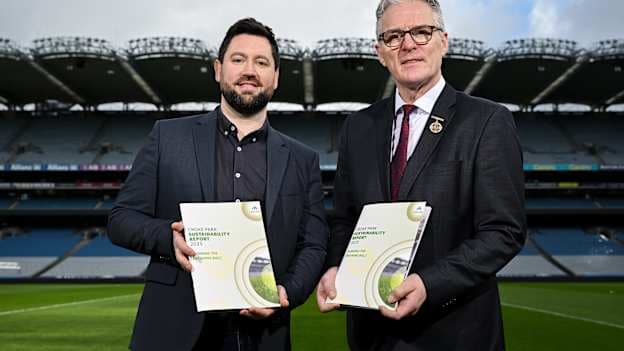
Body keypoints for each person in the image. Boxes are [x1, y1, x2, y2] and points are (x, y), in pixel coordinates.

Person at [108, 18, 328, 351]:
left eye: (262, 62)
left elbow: (313, 245)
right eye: (238, 59)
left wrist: (287, 293)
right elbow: (121, 219)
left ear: (276, 77)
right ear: (218, 69)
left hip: (263, 333)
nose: (249, 70)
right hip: (173, 328)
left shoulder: (303, 159)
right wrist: (168, 239)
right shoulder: (167, 138)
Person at [316, 0, 526, 350]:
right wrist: (337, 266)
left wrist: (430, 284)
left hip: (454, 333)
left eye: (421, 32)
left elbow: (504, 231)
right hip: (372, 336)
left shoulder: (487, 122)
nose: (408, 44)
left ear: (443, 40)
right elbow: (343, 220)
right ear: (380, 51)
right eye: (394, 36)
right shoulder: (358, 127)